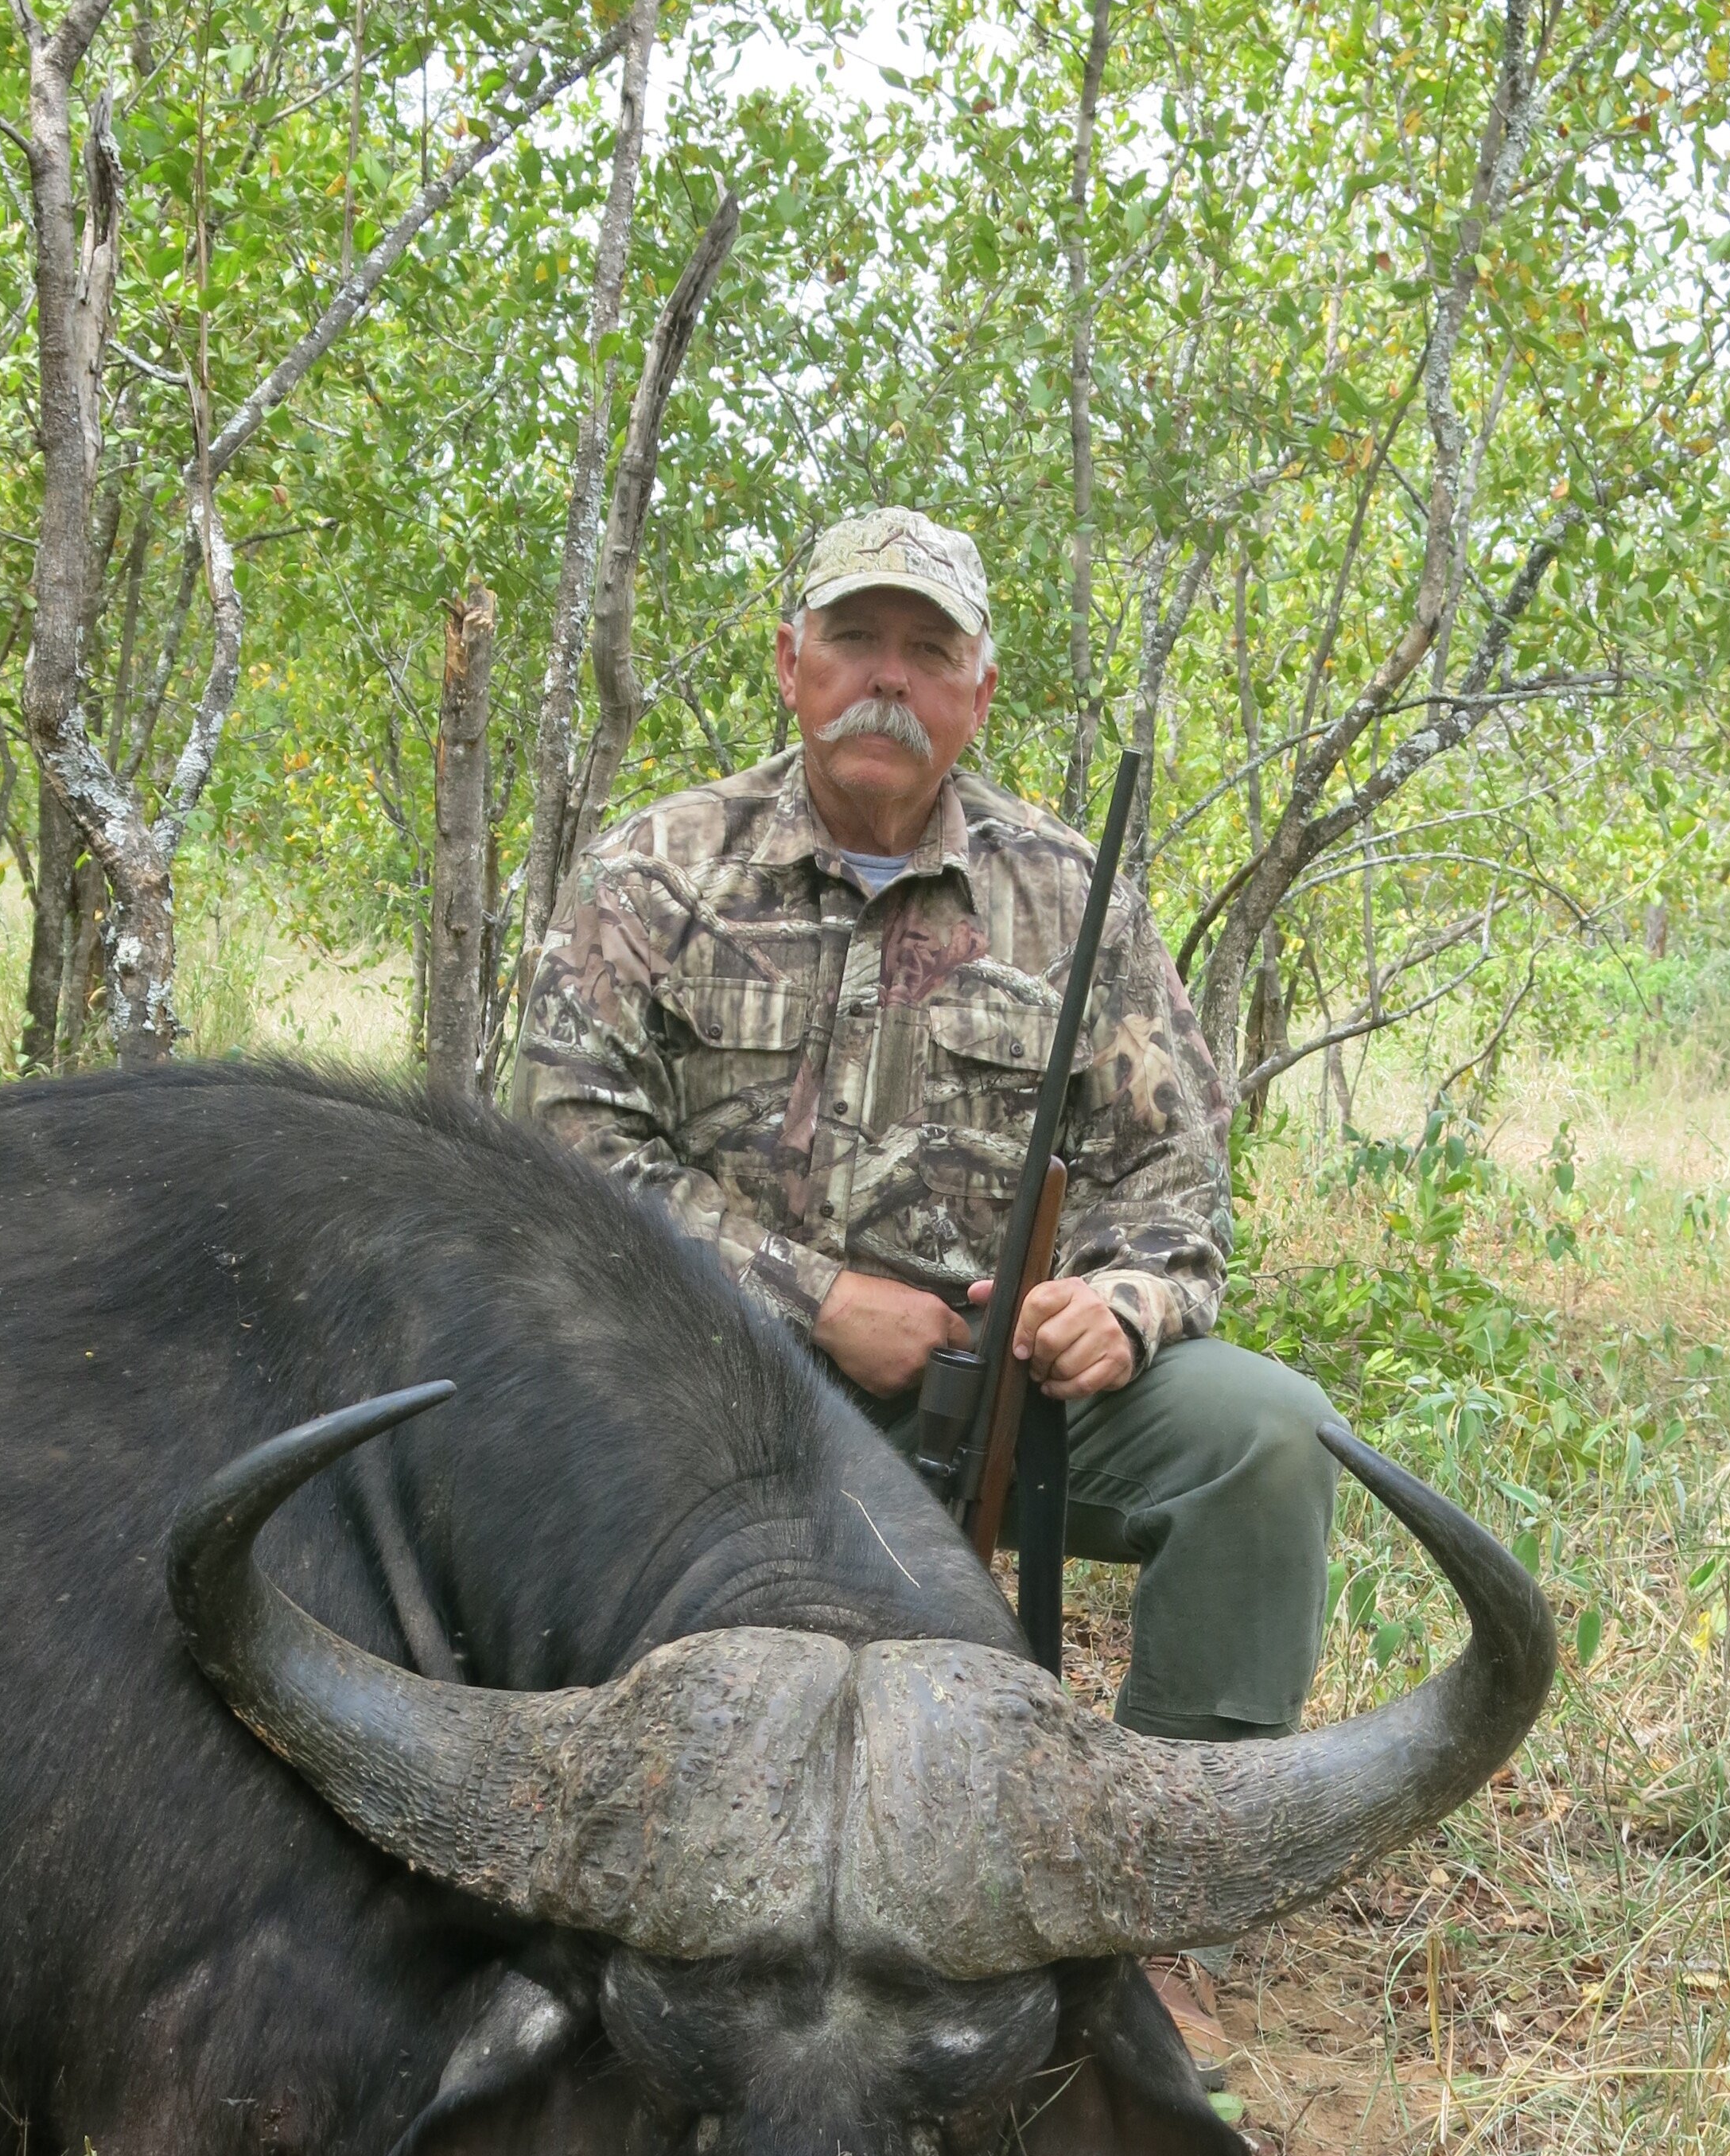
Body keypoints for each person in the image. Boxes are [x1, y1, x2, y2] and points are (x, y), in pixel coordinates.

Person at [513, 504, 1336, 1758]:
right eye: (854, 639)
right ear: (793, 662)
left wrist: (1120, 1302)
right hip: (695, 1379)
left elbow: (1171, 1174)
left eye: (928, 650)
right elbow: (565, 1157)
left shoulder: (1073, 897)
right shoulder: (656, 874)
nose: (887, 679)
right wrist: (815, 1296)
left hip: (994, 1395)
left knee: (1267, 1439)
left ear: (978, 691)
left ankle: (1170, 1860)